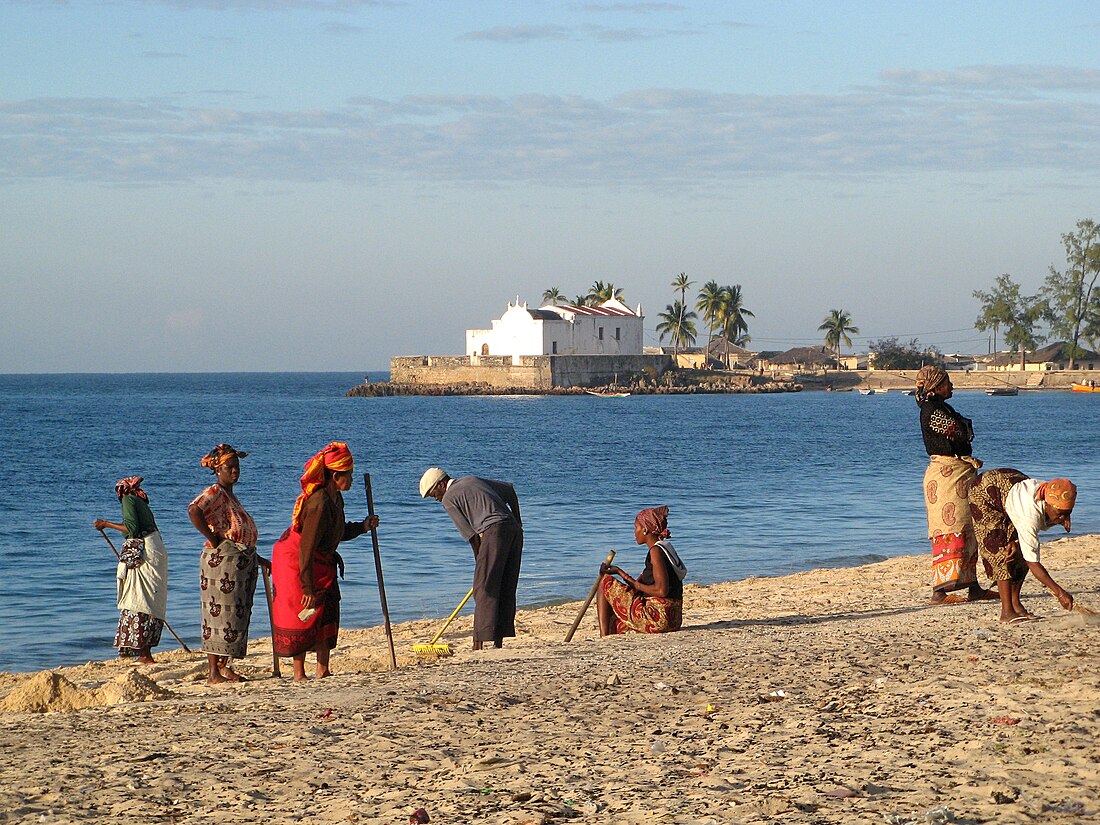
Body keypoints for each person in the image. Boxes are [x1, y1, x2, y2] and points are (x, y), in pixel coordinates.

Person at [271, 442, 377, 681]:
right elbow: (307, 547)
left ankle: (323, 669)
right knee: (303, 611)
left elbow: (335, 533)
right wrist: (307, 586)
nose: (350, 479)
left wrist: (363, 527)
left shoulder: (336, 499)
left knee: (328, 610)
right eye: (347, 475)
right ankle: (299, 672)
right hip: (296, 561)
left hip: (321, 559)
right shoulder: (319, 503)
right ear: (335, 475)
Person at [915, 365, 995, 605]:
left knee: (968, 528)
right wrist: (963, 427)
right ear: (937, 387)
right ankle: (939, 591)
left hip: (957, 473)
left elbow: (961, 430)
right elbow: (960, 431)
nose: (951, 386)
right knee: (951, 529)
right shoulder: (932, 410)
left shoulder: (939, 407)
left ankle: (973, 587)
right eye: (948, 383)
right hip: (946, 477)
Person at [419, 467, 523, 650]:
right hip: (513, 530)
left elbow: (472, 537)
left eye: (433, 494)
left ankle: (478, 643)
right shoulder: (472, 479)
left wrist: (480, 563)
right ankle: (498, 641)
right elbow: (510, 490)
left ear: (442, 484)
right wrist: (518, 521)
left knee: (483, 588)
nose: (435, 499)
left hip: (493, 531)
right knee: (506, 584)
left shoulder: (449, 498)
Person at [187, 444, 263, 684]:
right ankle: (213, 673)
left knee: (236, 616)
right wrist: (214, 539)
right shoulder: (216, 491)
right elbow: (194, 510)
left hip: (238, 562)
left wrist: (257, 559)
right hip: (222, 563)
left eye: (237, 467)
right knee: (218, 617)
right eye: (229, 467)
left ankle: (224, 665)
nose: (235, 472)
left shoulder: (230, 494)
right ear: (218, 470)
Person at [968, 470, 1077, 623]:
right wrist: (1059, 592)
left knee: (1019, 551)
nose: (1063, 518)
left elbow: (1027, 552)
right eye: (1060, 513)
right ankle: (1007, 612)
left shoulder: (1049, 497)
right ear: (1046, 505)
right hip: (985, 493)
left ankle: (1016, 604)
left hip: (1010, 490)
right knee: (1000, 551)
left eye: (1068, 513)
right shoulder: (1029, 515)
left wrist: (1063, 516)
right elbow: (1033, 562)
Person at [93, 476, 168, 664]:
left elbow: (132, 529)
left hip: (146, 552)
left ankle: (144, 654)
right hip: (155, 547)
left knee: (137, 598)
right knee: (150, 598)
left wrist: (105, 524)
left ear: (122, 491)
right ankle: (144, 651)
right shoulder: (141, 502)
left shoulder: (128, 500)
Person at [596, 506, 686, 636]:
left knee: (605, 583)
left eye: (636, 527)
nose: (634, 532)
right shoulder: (666, 548)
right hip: (674, 619)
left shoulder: (655, 551)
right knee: (617, 624)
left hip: (659, 618)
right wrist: (619, 573)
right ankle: (608, 632)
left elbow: (662, 590)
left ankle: (603, 636)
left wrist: (622, 574)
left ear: (645, 530)